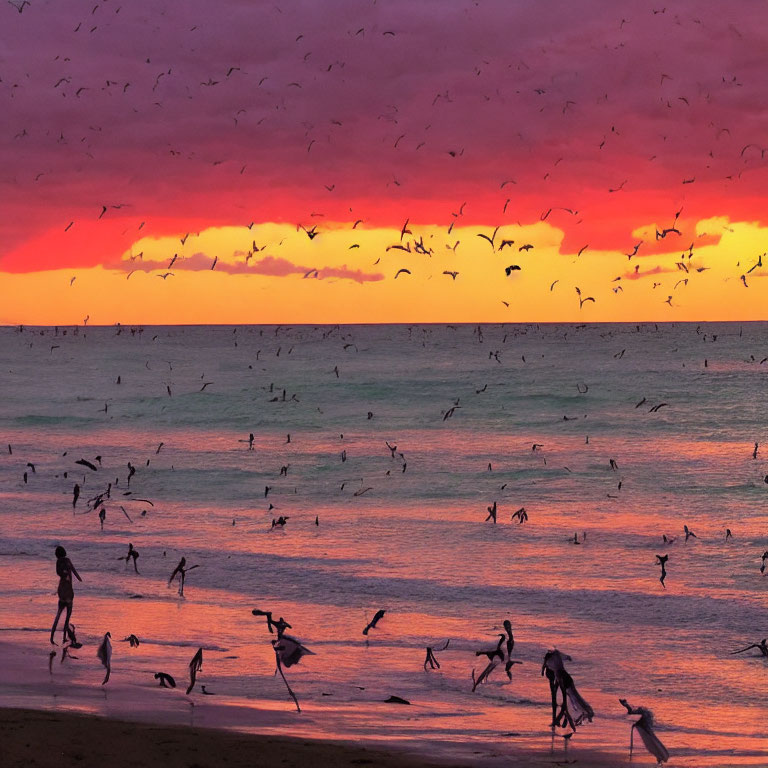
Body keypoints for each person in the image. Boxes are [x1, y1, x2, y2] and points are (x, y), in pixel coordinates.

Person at [50, 546, 82, 645]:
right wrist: (79, 578)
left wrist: (64, 574)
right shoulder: (67, 560)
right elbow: (74, 571)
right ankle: (64, 638)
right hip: (68, 590)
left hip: (61, 590)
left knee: (58, 615)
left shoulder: (58, 562)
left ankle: (51, 638)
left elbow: (58, 572)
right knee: (67, 617)